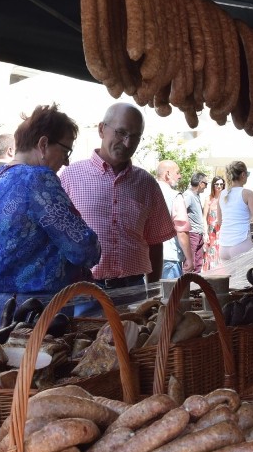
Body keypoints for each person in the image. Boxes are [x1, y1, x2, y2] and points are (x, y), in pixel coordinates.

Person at [0, 104, 100, 329]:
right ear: (43, 144)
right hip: (31, 315)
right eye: (65, 150)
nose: (67, 161)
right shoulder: (38, 179)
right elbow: (83, 248)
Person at [59, 103, 174, 307]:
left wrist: (153, 290)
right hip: (84, 292)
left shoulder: (146, 183)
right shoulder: (70, 176)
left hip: (134, 290)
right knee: (86, 339)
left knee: (134, 339)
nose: (127, 142)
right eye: (121, 132)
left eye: (135, 136)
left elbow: (155, 241)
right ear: (102, 129)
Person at [218, 160, 253, 262]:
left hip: (223, 245)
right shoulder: (247, 193)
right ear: (243, 174)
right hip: (240, 242)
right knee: (247, 277)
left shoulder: (222, 194)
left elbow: (219, 222)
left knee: (230, 278)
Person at [155, 160, 192, 278]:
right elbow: (181, 230)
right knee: (172, 296)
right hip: (169, 256)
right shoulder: (174, 195)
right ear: (167, 174)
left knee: (151, 296)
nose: (180, 176)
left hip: (147, 257)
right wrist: (190, 258)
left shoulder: (145, 192)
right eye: (177, 173)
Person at [183, 171, 208, 273]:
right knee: (190, 264)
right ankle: (186, 286)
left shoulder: (196, 195)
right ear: (200, 183)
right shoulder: (188, 195)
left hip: (198, 233)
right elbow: (180, 211)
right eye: (205, 183)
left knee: (198, 263)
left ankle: (194, 286)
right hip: (192, 233)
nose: (206, 187)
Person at [202, 176, 225, 271]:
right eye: (217, 184)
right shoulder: (209, 199)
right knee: (211, 251)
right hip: (212, 231)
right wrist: (205, 233)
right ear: (213, 185)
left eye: (221, 184)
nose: (219, 186)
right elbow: (204, 217)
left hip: (222, 229)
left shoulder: (225, 199)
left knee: (221, 251)